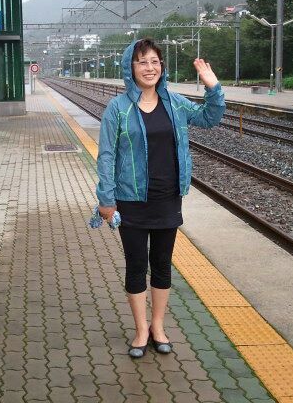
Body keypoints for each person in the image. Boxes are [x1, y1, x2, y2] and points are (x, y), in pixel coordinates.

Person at [96, 38, 225, 358]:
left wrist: (213, 87)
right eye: (142, 62)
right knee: (136, 265)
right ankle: (141, 329)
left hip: (168, 198)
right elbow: (107, 155)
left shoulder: (175, 103)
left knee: (162, 265)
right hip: (131, 200)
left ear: (162, 67)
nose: (149, 67)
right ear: (130, 68)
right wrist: (106, 198)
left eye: (155, 61)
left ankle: (158, 326)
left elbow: (209, 118)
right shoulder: (118, 108)